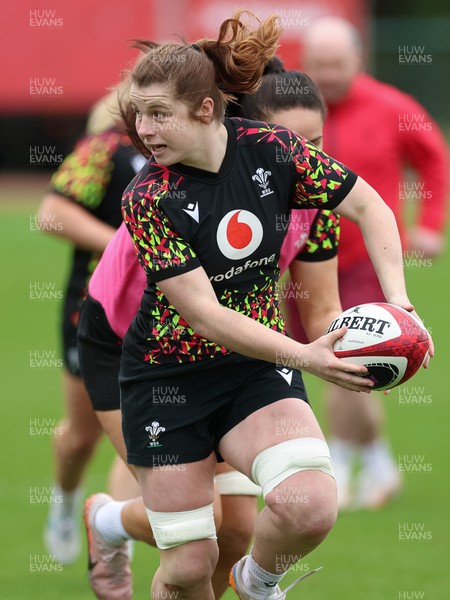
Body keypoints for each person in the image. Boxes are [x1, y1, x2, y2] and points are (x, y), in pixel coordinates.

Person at [84, 10, 430, 600]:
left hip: (252, 365)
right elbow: (201, 314)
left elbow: (371, 206)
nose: (143, 130)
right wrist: (306, 356)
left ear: (206, 108)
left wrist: (399, 307)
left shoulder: (273, 151)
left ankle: (259, 586)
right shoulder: (147, 195)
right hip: (160, 372)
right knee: (192, 559)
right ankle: (106, 522)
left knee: (307, 506)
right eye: (137, 114)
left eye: (158, 113)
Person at [78, 57, 341, 600]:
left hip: (228, 355)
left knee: (239, 531)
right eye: (291, 142)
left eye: (316, 142)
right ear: (242, 134)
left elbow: (320, 314)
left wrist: (368, 346)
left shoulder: (314, 200)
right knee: (193, 536)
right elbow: (193, 311)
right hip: (136, 351)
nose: (304, 158)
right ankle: (107, 522)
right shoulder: (166, 199)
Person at [302, 16, 448, 510]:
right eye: (318, 65)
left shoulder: (392, 107)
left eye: (336, 65)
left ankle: (337, 463)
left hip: (368, 261)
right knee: (315, 361)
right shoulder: (294, 113)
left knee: (350, 358)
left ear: (358, 61)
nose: (327, 75)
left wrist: (430, 221)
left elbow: (434, 158)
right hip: (303, 260)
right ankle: (381, 464)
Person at [37, 86, 144, 563]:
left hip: (167, 319)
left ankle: (114, 540)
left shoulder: (207, 148)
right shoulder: (106, 147)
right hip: (96, 311)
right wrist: (129, 246)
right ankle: (64, 503)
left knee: (136, 433)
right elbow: (52, 213)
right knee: (82, 436)